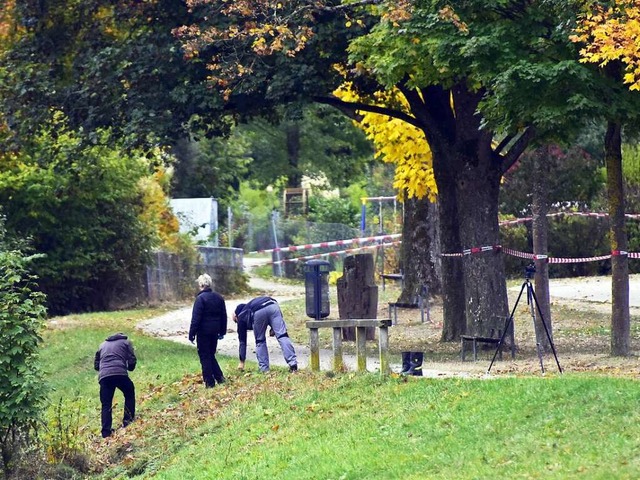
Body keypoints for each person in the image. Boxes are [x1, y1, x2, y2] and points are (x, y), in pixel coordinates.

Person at [234, 296, 298, 373]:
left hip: (258, 311)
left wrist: (242, 361)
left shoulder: (240, 317)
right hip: (273, 304)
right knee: (282, 335)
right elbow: (274, 312)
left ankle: (264, 369)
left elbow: (242, 342)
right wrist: (273, 327)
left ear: (236, 316)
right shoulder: (251, 305)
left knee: (260, 341)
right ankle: (293, 365)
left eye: (235, 321)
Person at [94, 332, 137, 438]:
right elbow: (131, 359)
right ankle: (128, 420)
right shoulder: (126, 342)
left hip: (104, 376)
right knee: (129, 392)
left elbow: (96, 364)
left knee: (106, 404)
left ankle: (106, 432)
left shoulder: (102, 345)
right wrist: (130, 368)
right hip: (119, 373)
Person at [189, 273, 227, 388]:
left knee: (204, 356)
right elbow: (223, 316)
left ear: (201, 285)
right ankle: (219, 377)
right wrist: (222, 331)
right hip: (215, 331)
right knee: (210, 354)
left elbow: (196, 318)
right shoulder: (219, 297)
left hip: (203, 332)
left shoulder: (200, 299)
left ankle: (209, 382)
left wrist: (191, 334)